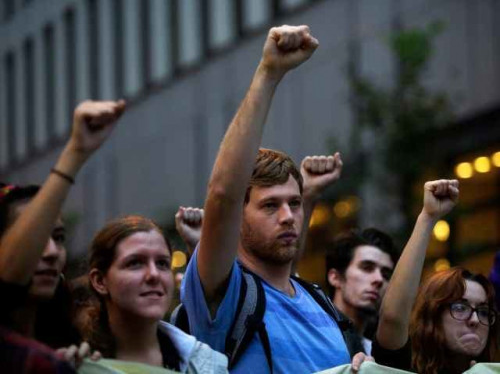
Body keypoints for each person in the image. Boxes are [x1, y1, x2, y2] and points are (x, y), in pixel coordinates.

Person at [181, 25, 371, 373]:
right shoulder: (226, 294)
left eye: (294, 203)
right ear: (238, 217)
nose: (288, 216)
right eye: (270, 205)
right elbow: (222, 195)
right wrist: (269, 73)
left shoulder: (322, 304)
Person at [0, 100, 126, 371]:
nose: (49, 252)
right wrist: (75, 151)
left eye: (57, 237)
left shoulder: (74, 343)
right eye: (32, 240)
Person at [373, 179, 499, 373]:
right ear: (432, 315)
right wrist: (427, 217)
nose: (474, 320)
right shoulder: (407, 366)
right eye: (460, 307)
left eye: (483, 312)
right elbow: (392, 317)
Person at [86, 215, 228, 373]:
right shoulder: (72, 363)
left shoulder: (206, 364)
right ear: (99, 281)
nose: (154, 274)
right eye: (135, 263)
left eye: (162, 263)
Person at [325, 228, 399, 354]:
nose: (379, 279)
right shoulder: (310, 336)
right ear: (335, 277)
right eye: (367, 268)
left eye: (386, 275)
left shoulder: (377, 356)